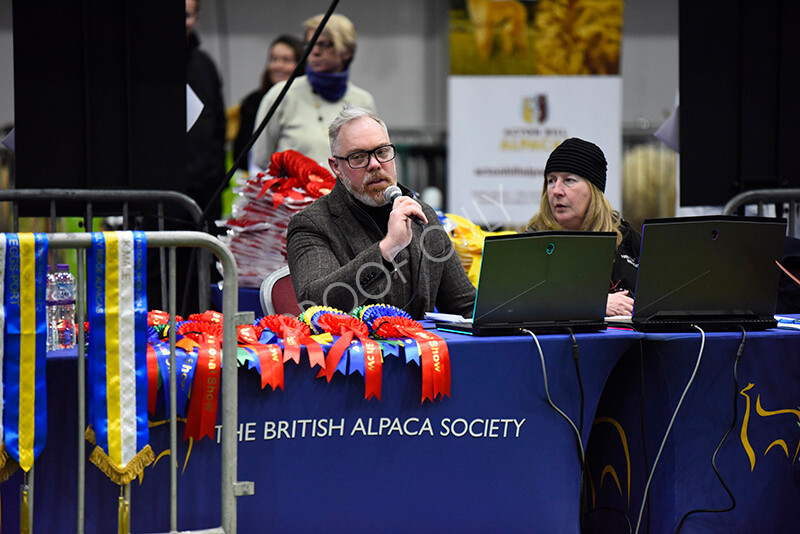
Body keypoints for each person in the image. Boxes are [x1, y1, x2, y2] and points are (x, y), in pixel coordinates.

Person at [286, 105, 476, 319]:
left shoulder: (423, 216)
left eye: (382, 152)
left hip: (423, 350)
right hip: (352, 350)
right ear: (336, 167)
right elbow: (316, 304)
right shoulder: (312, 224)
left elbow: (465, 306)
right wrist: (387, 249)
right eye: (358, 157)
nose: (375, 164)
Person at [525, 137, 641, 316]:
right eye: (551, 180)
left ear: (594, 190)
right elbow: (522, 303)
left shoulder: (624, 236)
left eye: (569, 180)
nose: (556, 190)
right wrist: (596, 304)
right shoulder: (534, 241)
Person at [251, 13, 377, 171]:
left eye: (324, 44)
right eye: (310, 44)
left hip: (345, 195)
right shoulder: (281, 95)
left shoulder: (363, 102)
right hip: (293, 195)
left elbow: (371, 160)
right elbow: (262, 158)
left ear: (347, 51)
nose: (315, 51)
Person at [232, 35, 304, 172]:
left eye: (286, 60)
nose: (278, 66)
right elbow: (241, 154)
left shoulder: (307, 102)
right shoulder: (252, 102)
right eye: (274, 59)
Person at [186, 0, 226, 223]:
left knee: (205, 253)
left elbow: (218, 126)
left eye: (187, 15)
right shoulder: (145, 62)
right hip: (161, 188)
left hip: (206, 187)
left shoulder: (205, 65)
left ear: (197, 17)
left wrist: (217, 177)